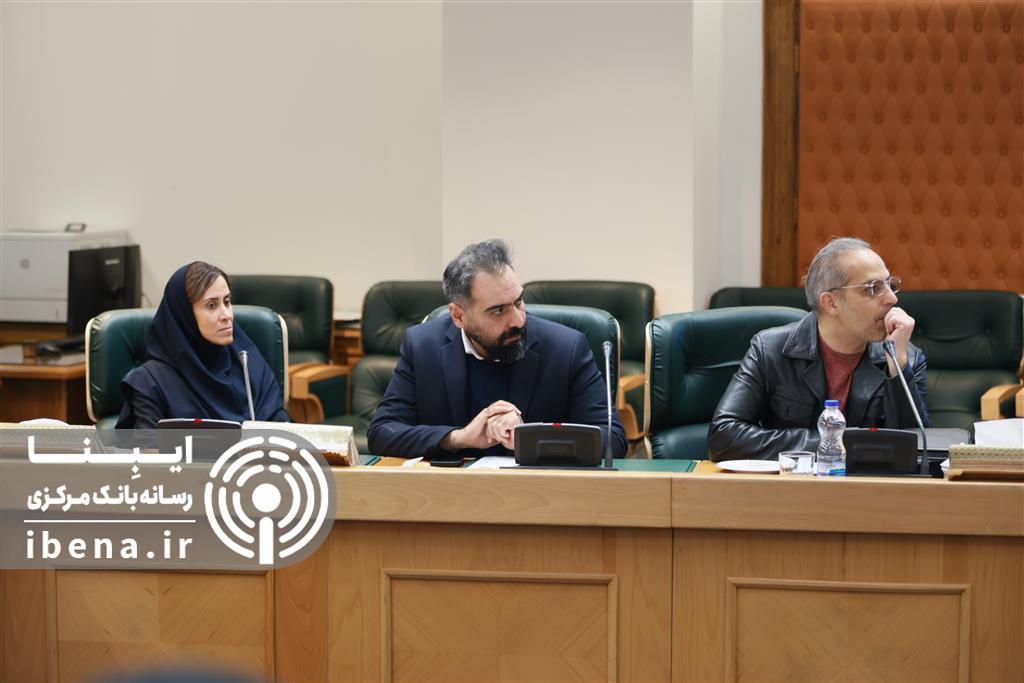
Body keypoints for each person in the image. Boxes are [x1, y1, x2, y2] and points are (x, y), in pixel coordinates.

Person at [367, 239, 627, 459]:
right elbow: (382, 433)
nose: (517, 320)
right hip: (452, 494)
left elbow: (613, 441)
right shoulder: (423, 346)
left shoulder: (566, 348)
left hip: (541, 493)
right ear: (458, 316)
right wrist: (458, 437)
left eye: (518, 301)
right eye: (498, 311)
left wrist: (529, 438)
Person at [708, 237, 929, 461]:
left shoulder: (906, 356)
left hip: (869, 484)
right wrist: (836, 444)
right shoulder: (770, 350)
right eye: (873, 288)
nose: (892, 298)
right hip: (794, 482)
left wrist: (897, 367)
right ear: (831, 302)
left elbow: (918, 449)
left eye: (889, 284)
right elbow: (724, 438)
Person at [116, 261, 290, 428]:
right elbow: (148, 445)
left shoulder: (247, 362)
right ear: (185, 316)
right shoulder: (150, 381)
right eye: (212, 305)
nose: (227, 315)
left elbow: (280, 427)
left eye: (227, 302)